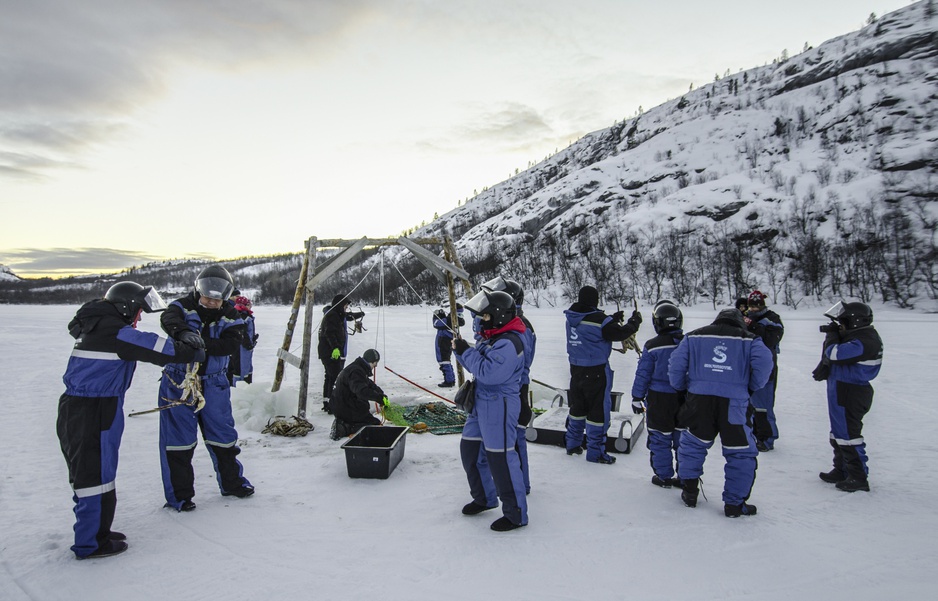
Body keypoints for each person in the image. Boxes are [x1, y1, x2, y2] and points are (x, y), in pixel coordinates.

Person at [57, 282, 204, 559]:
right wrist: (192, 346)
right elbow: (163, 349)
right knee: (95, 474)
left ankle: (98, 529)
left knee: (92, 470)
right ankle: (90, 543)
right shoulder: (117, 333)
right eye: (138, 312)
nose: (138, 318)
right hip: (96, 408)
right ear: (126, 306)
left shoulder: (96, 325)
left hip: (80, 406)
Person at [158, 265, 254, 512]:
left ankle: (232, 483)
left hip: (214, 382)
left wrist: (200, 343)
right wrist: (183, 332)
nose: (212, 303)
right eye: (207, 297)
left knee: (222, 436)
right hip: (179, 382)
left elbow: (229, 345)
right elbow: (168, 320)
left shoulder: (233, 314)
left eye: (217, 299)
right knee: (178, 441)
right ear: (198, 291)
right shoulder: (180, 306)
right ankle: (180, 496)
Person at [668, 308, 774, 517]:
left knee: (692, 444)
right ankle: (734, 504)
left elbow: (676, 365)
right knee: (740, 452)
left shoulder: (694, 336)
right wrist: (749, 387)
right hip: (734, 402)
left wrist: (682, 388)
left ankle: (689, 491)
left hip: (699, 400)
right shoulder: (751, 339)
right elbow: (764, 363)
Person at [453, 289, 528, 532]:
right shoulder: (493, 337)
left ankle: (515, 513)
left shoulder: (509, 342)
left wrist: (466, 351)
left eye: (484, 316)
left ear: (499, 316)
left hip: (499, 403)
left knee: (501, 458)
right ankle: (484, 497)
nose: (481, 321)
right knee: (470, 450)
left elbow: (489, 372)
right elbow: (478, 363)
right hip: (481, 400)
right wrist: (461, 349)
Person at [563, 285, 642, 464]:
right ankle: (596, 452)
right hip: (596, 370)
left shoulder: (572, 317)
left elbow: (591, 327)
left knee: (578, 407)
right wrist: (634, 322)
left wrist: (611, 319)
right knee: (598, 412)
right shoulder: (600, 320)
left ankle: (572, 443)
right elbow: (619, 333)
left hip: (576, 369)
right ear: (594, 300)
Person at [812, 301, 883, 492]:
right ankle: (841, 469)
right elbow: (833, 357)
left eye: (842, 323)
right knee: (838, 433)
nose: (839, 327)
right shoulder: (857, 336)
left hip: (851, 391)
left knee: (848, 435)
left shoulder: (865, 340)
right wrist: (825, 365)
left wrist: (832, 338)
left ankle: (858, 476)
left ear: (855, 322)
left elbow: (835, 353)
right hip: (841, 388)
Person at [631, 300, 685, 488]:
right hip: (685, 399)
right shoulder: (688, 343)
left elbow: (643, 373)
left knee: (660, 438)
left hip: (659, 399)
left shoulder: (653, 345)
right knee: (682, 439)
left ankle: (663, 476)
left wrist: (637, 397)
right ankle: (685, 476)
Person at [743, 290, 785, 451]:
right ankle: (753, 435)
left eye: (756, 306)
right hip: (748, 368)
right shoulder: (744, 318)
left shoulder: (772, 319)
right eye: (751, 306)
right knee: (749, 406)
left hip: (766, 369)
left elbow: (771, 339)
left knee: (763, 407)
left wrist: (753, 326)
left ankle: (767, 439)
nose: (753, 309)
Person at [317, 293, 365, 413]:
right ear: (340, 305)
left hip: (333, 352)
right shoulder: (332, 316)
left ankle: (328, 402)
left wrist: (360, 314)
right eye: (345, 305)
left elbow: (348, 316)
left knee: (330, 377)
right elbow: (329, 333)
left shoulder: (338, 314)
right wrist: (335, 348)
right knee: (334, 377)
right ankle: (332, 403)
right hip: (330, 353)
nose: (346, 308)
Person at [329, 349, 389, 440]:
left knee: (373, 421)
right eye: (375, 363)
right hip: (344, 407)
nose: (376, 366)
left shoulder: (357, 368)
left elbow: (368, 384)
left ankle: (347, 423)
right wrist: (379, 398)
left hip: (343, 404)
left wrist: (381, 394)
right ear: (371, 361)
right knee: (374, 426)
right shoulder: (356, 371)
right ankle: (344, 428)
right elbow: (362, 392)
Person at [227, 294, 258, 386]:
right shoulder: (242, 316)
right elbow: (242, 332)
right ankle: (240, 384)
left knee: (246, 365)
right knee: (240, 366)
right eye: (248, 304)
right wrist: (248, 343)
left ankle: (245, 382)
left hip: (245, 348)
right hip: (241, 348)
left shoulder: (245, 315)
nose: (250, 306)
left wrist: (253, 338)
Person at [433, 304, 465, 387]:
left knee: (443, 359)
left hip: (443, 341)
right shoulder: (456, 319)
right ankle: (449, 379)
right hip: (446, 340)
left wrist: (437, 316)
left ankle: (449, 380)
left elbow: (437, 324)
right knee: (445, 359)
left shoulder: (451, 319)